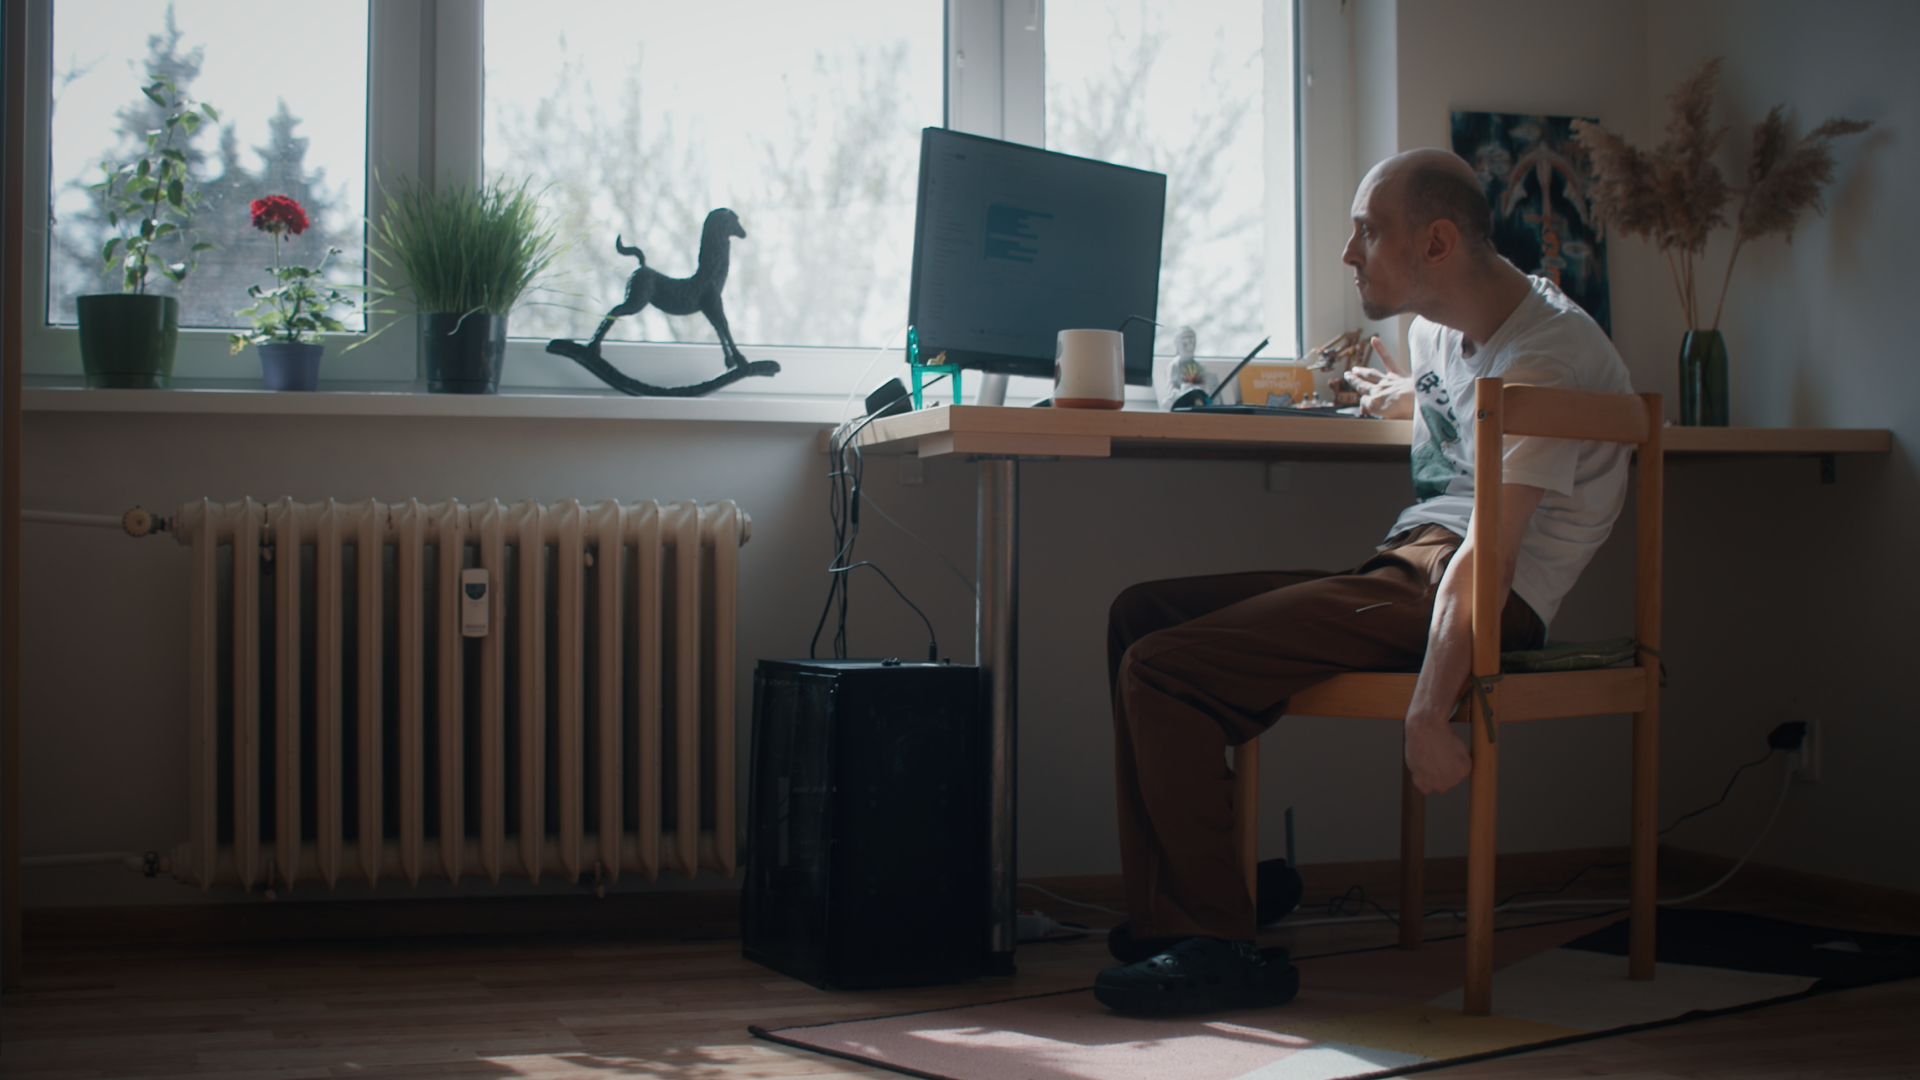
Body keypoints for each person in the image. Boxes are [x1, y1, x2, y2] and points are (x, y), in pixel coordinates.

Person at [1092, 148, 1634, 1016]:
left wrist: (1428, 710)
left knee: (1164, 668)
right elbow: (1464, 410)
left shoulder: (1550, 355)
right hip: (1409, 568)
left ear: (1438, 243)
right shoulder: (1437, 332)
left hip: (1482, 593)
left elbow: (1486, 557)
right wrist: (1406, 402)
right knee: (1139, 617)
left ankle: (1220, 942)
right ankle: (1179, 914)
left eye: (1367, 233)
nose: (1349, 255)